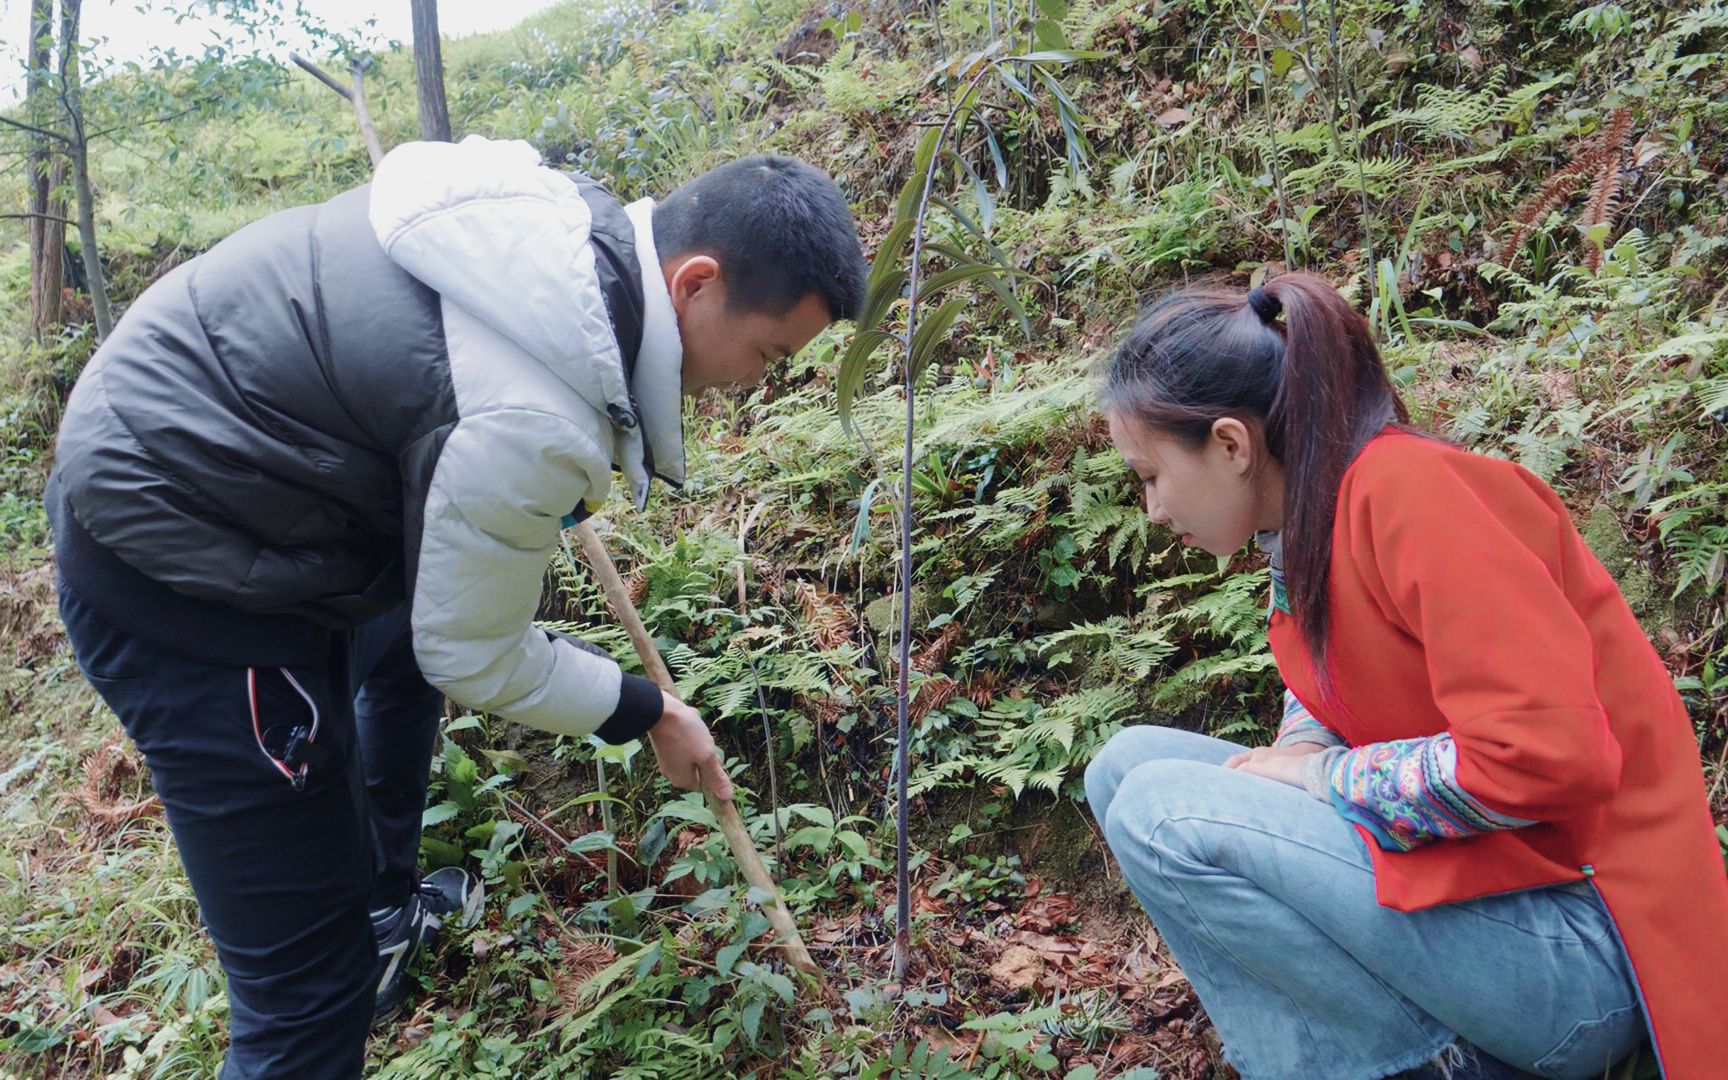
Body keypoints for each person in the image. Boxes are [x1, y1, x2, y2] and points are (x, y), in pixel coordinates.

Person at [46, 136, 867, 1078]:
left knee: (394, 647)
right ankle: (352, 943)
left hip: (206, 443)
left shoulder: (554, 223)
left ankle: (382, 905)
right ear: (693, 283)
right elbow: (474, 655)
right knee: (309, 998)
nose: (755, 382)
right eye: (766, 353)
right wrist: (649, 711)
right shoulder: (531, 420)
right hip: (180, 560)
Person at [1084, 272, 1728, 1079]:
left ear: (1230, 445)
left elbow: (1550, 753)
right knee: (1125, 768)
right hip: (1497, 895)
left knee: (1160, 809)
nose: (1151, 509)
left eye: (1149, 476)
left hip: (1589, 943)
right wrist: (1304, 758)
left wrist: (1325, 777)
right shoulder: (1310, 526)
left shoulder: (1413, 493)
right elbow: (1333, 690)